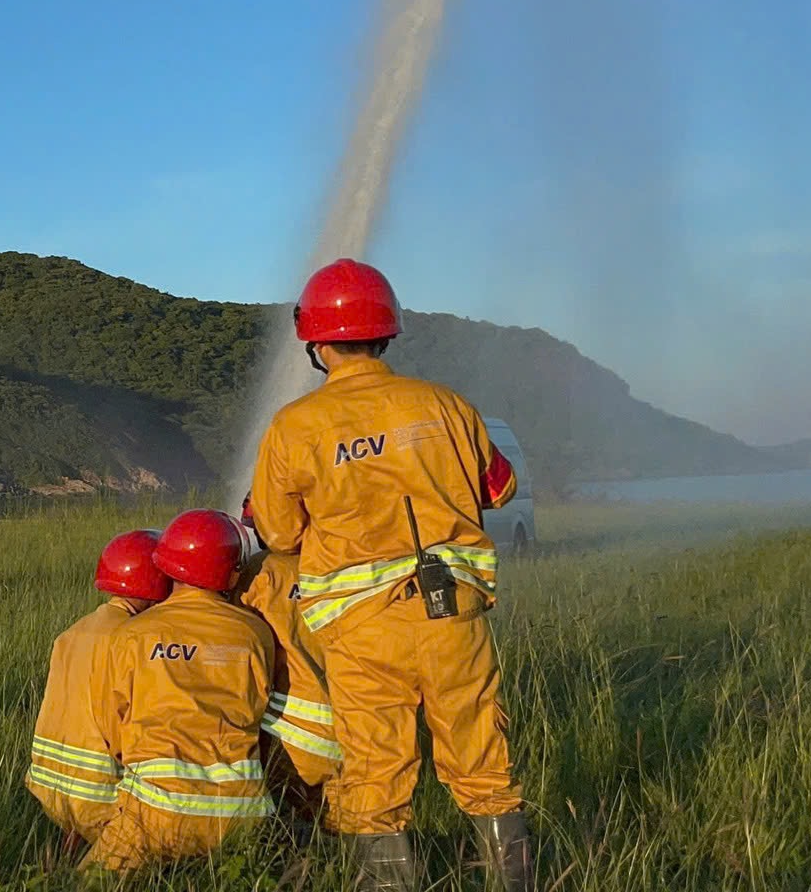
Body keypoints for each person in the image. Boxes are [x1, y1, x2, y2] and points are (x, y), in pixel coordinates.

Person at [248, 259, 532, 891]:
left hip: (360, 628)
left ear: (315, 342)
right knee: (484, 762)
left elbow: (280, 534)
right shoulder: (445, 405)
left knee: (375, 772)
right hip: (452, 616)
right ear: (388, 331)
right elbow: (501, 488)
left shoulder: (295, 425)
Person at [85, 510, 276, 871]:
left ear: (165, 564)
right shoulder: (255, 634)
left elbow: (111, 725)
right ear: (232, 571)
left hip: (153, 811)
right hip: (241, 813)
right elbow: (262, 710)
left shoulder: (133, 635)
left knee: (86, 881)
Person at [26, 529, 173, 848]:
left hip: (49, 786)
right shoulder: (137, 640)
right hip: (101, 796)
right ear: (159, 583)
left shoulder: (72, 633)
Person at [236, 498, 342, 824]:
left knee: (291, 829)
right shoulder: (341, 569)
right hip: (353, 730)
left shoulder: (261, 573)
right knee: (343, 830)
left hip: (288, 736)